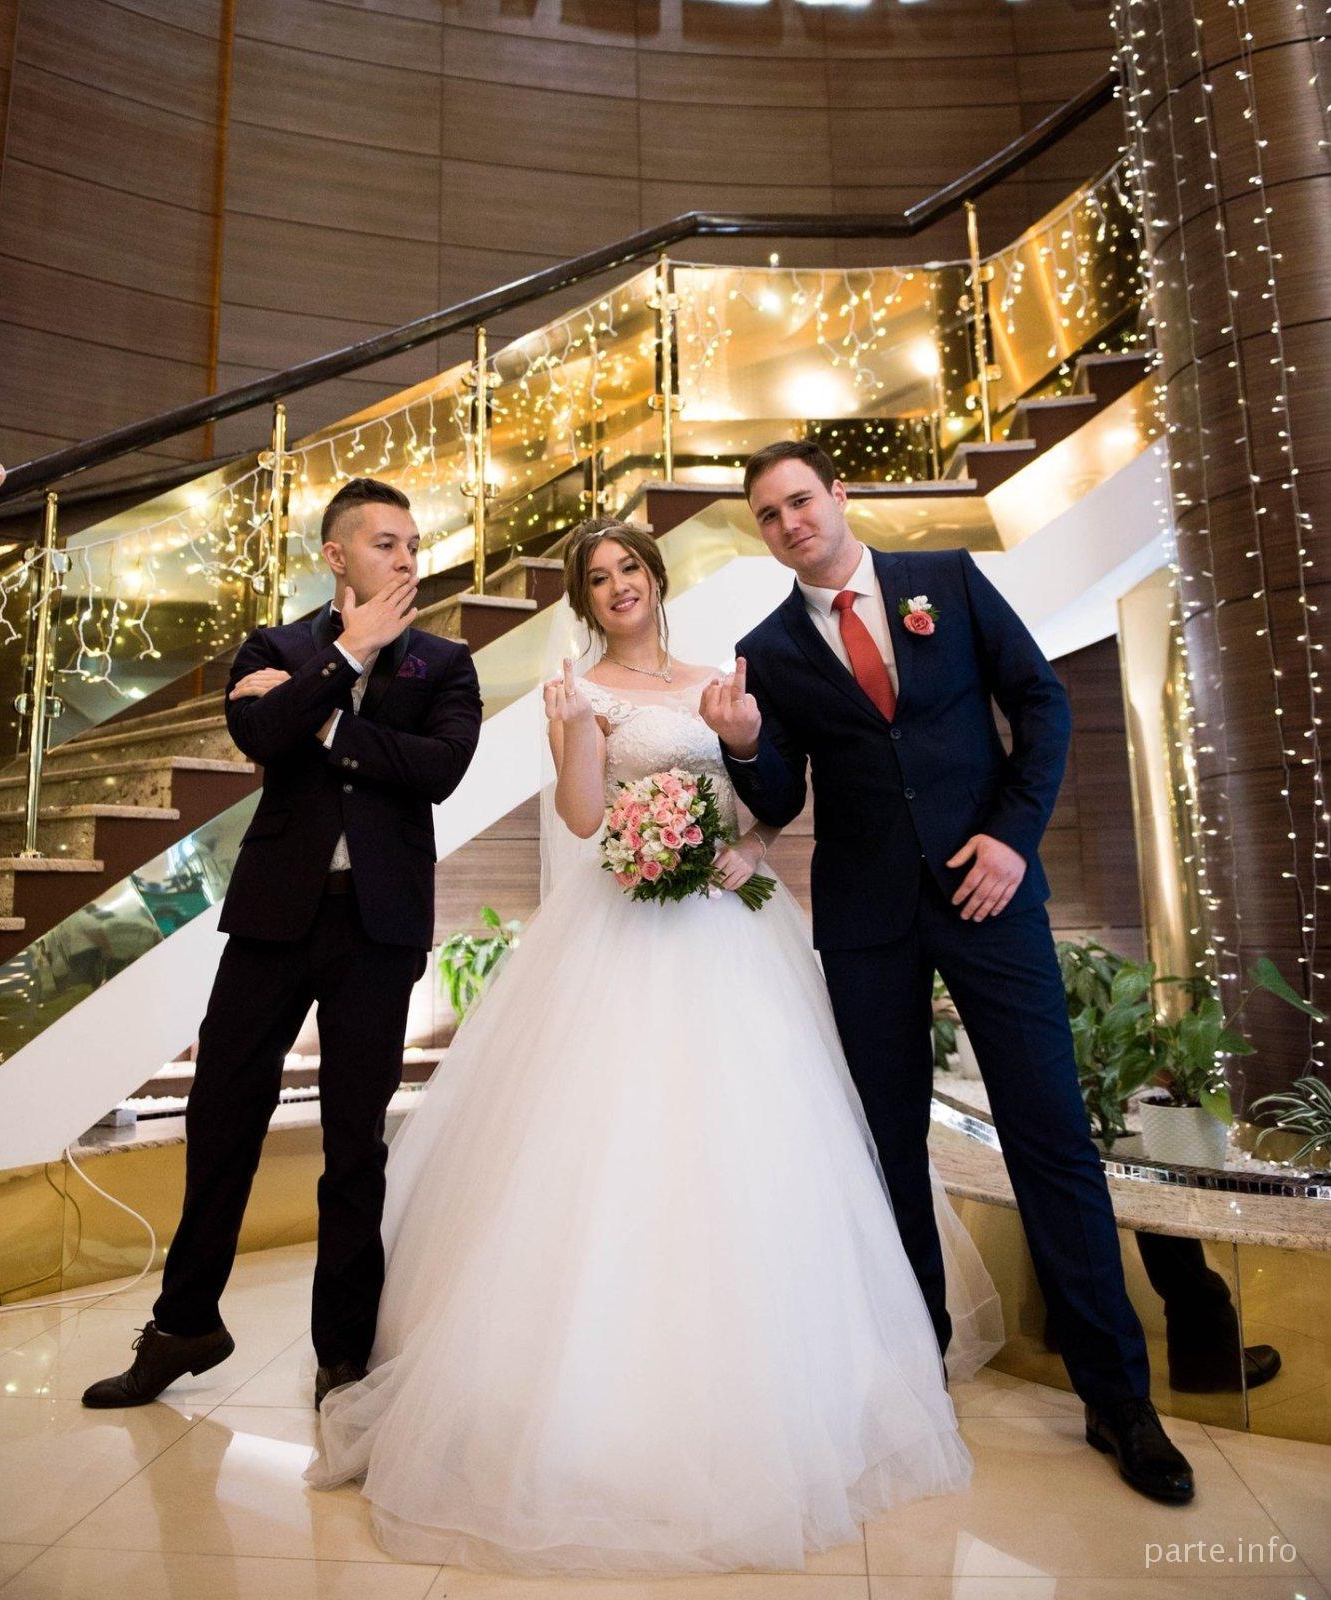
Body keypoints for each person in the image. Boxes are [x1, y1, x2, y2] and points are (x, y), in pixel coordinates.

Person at [305, 517, 1003, 1575]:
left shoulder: (723, 678)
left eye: (629, 568)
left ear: (656, 577)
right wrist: (575, 735)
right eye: (598, 578)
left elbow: (768, 795)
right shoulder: (579, 691)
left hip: (732, 930)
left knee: (761, 1146)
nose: (618, 585)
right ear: (584, 601)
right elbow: (586, 820)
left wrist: (749, 844)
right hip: (621, 929)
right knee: (616, 1147)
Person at [702, 438, 1194, 1504]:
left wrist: (1014, 836)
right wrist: (743, 742)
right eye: (768, 515)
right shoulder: (766, 648)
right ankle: (911, 1370)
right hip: (867, 921)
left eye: (800, 500)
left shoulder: (948, 580)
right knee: (885, 1148)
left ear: (839, 495)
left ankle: (1118, 1399)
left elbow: (1042, 703)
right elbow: (780, 795)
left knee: (1049, 1134)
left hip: (988, 895)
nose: (789, 524)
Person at [82, 477, 482, 1412]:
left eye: (413, 544)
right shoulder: (275, 648)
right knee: (222, 1115)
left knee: (354, 1141)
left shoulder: (445, 663)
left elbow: (439, 770)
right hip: (273, 918)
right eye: (386, 543)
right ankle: (184, 1325)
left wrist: (328, 717)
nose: (407, 559)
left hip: (378, 927)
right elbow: (261, 731)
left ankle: (342, 1351)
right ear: (336, 555)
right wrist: (344, 658)